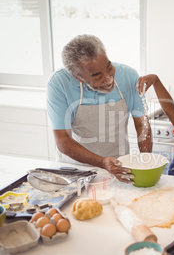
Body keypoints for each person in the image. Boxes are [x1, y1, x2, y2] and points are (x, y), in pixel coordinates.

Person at [47, 34, 152, 183]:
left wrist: (146, 162)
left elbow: (142, 124)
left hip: (118, 167)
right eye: (97, 77)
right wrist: (102, 162)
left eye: (109, 68)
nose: (108, 79)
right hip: (75, 170)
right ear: (77, 76)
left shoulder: (129, 76)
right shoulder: (59, 83)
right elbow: (63, 140)